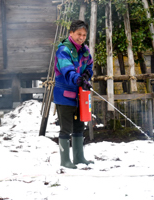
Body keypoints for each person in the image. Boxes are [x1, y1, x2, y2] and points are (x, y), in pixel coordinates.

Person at [53, 20, 94, 169]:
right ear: (71, 33)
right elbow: (67, 69)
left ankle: (79, 157)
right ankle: (65, 160)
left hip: (79, 95)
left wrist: (87, 74)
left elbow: (89, 64)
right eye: (79, 34)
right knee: (66, 128)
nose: (81, 37)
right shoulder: (64, 50)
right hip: (64, 95)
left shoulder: (85, 50)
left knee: (79, 126)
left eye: (84, 35)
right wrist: (78, 79)